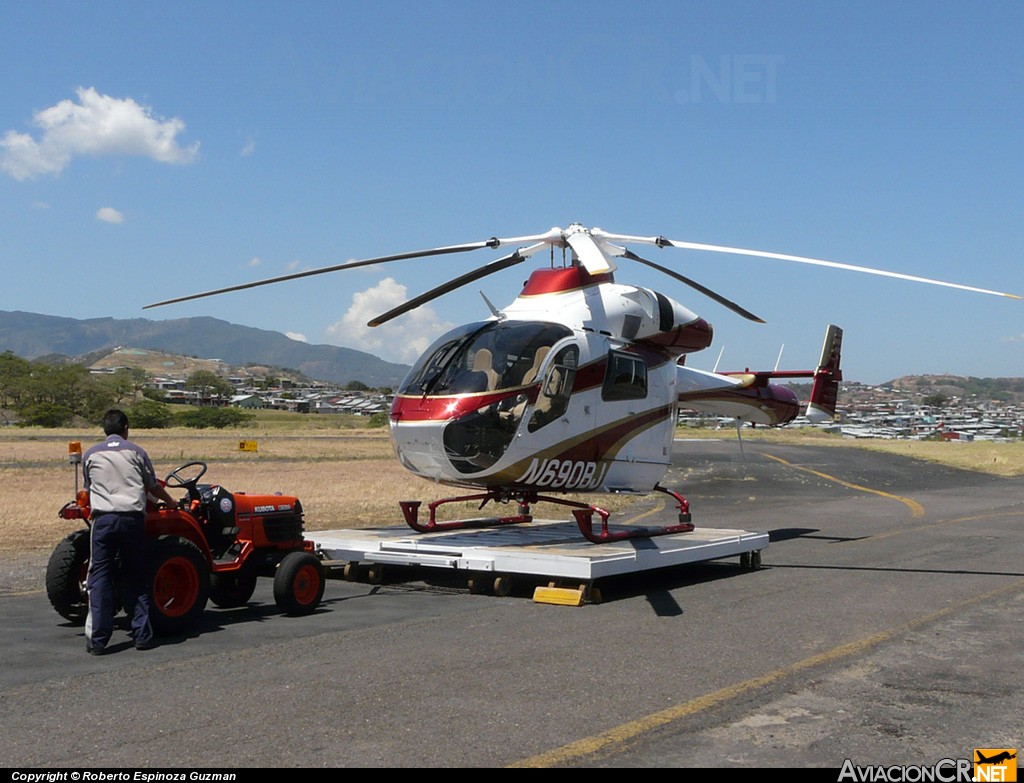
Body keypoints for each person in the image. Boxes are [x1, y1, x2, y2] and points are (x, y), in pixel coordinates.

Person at [82, 409, 177, 655]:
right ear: (126, 428)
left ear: (104, 429)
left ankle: (98, 641)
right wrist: (171, 502)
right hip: (133, 520)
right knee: (135, 576)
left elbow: (89, 487)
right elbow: (153, 486)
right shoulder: (137, 452)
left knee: (99, 577)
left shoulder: (90, 455)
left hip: (103, 521)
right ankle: (142, 636)